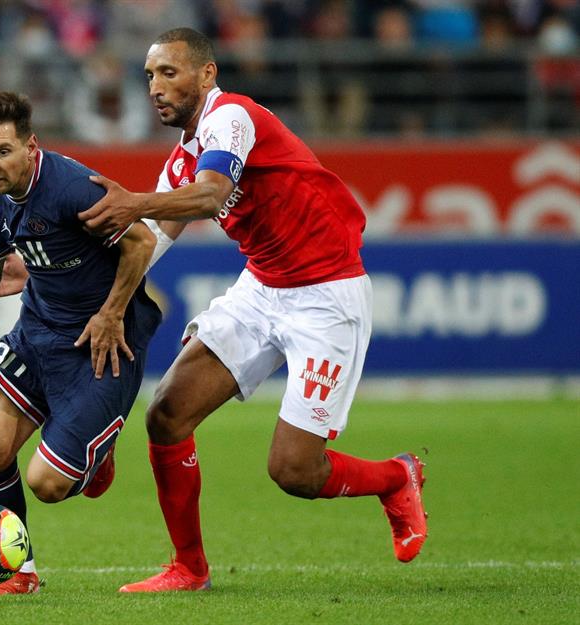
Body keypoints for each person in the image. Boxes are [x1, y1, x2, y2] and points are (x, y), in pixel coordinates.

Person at [78, 27, 428, 593]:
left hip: (326, 295)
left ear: (207, 74)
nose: (156, 88)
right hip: (262, 289)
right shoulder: (181, 158)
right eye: (149, 76)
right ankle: (188, 569)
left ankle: (395, 477)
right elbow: (149, 240)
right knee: (166, 414)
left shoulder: (232, 117)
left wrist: (134, 200)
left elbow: (211, 194)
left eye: (169, 72)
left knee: (294, 472)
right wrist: (95, 299)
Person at [0, 91, 161, 596]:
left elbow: (141, 242)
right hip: (37, 332)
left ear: (30, 146)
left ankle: (95, 459)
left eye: (2, 151)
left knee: (49, 485)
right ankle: (21, 574)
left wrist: (111, 313)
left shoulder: (71, 188)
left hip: (102, 343)